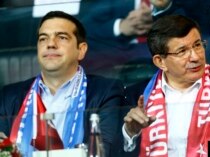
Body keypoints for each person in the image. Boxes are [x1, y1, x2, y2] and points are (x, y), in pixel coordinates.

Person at [0, 11, 125, 157]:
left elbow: (103, 150)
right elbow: (3, 148)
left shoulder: (106, 91)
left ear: (81, 50)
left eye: (62, 37)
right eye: (43, 39)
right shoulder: (9, 96)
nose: (51, 44)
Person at [122, 14, 210, 157]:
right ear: (160, 62)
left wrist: (207, 150)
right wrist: (130, 133)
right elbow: (112, 151)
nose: (195, 57)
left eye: (197, 45)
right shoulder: (134, 96)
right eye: (182, 51)